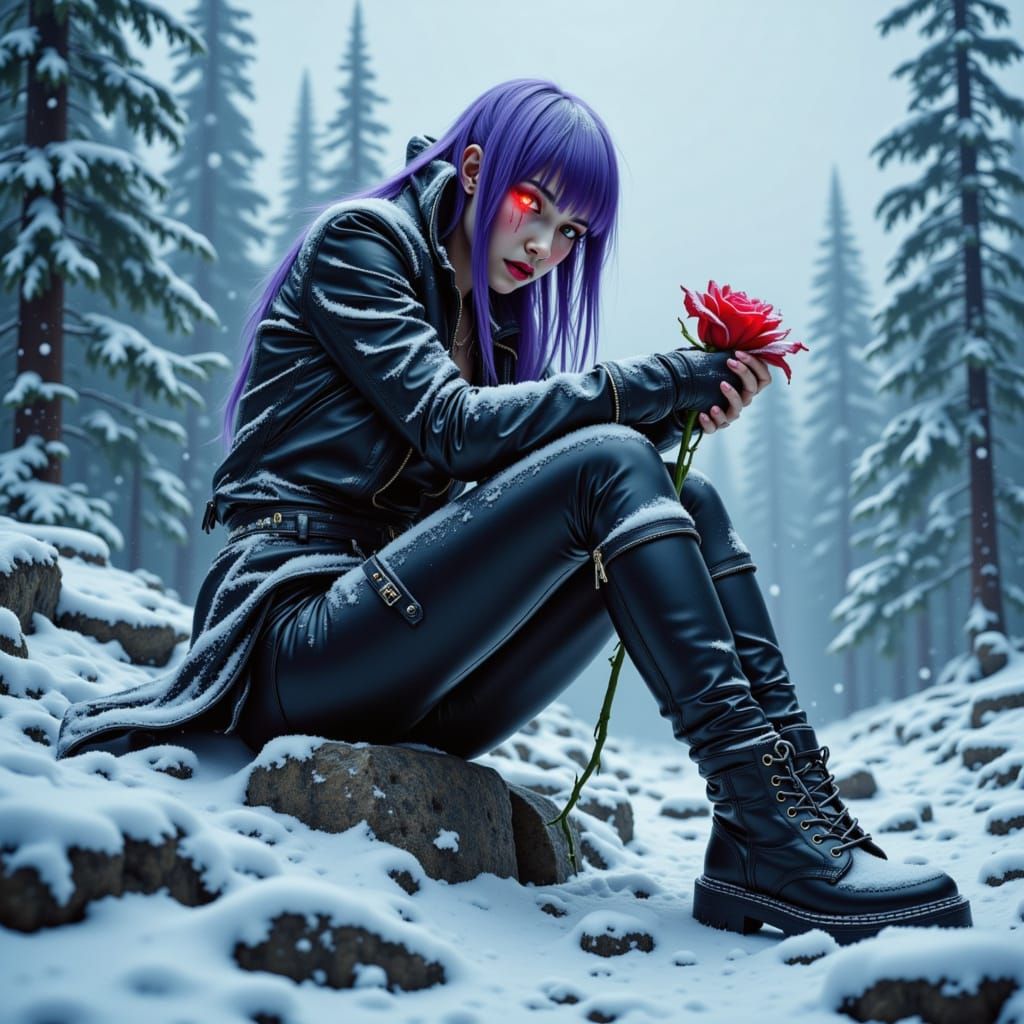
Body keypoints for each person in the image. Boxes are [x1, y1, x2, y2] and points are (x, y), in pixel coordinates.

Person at [56, 78, 971, 944]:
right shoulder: (361, 246)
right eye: (537, 206)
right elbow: (454, 429)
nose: (546, 249)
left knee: (681, 491)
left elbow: (501, 494)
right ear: (476, 169)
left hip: (410, 671)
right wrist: (650, 388)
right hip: (298, 638)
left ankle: (772, 820)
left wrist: (674, 406)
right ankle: (774, 837)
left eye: (572, 232)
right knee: (614, 460)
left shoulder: (490, 323)